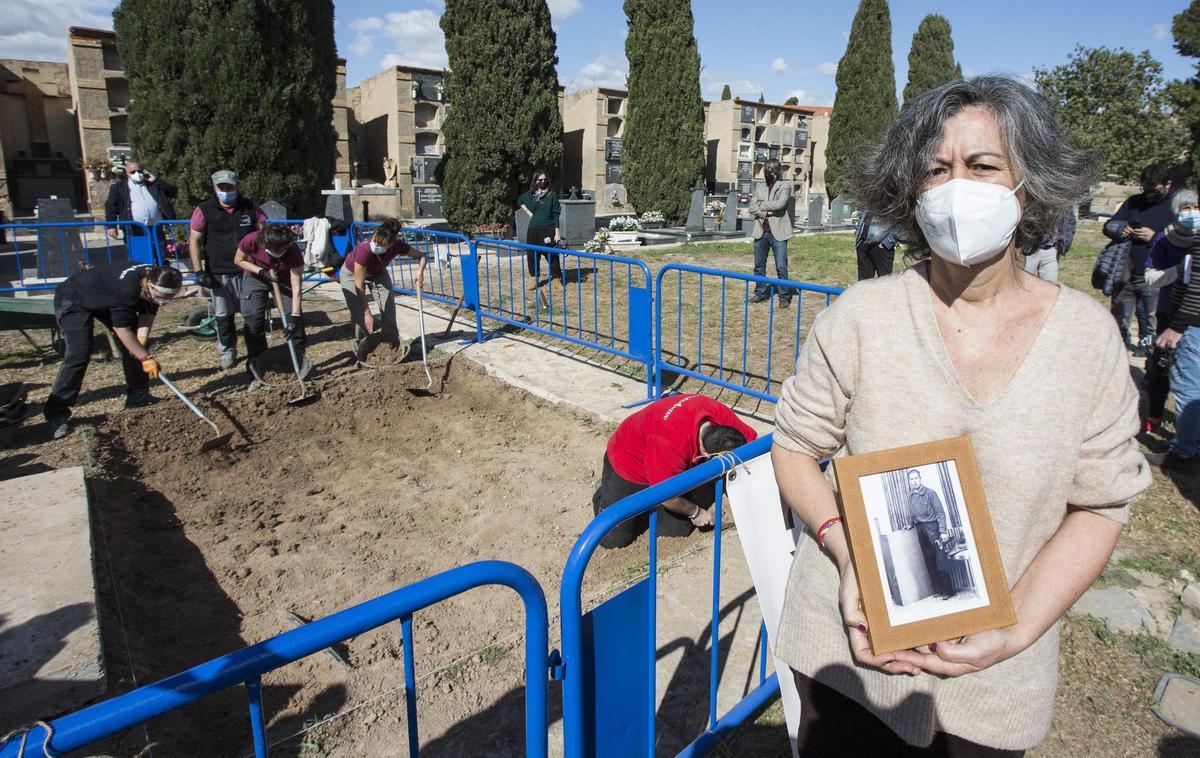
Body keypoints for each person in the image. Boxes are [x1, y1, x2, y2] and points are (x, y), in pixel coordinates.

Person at [770, 77, 1149, 755]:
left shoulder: (1087, 340)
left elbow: (1102, 505)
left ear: (1028, 186)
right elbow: (795, 447)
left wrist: (1017, 627)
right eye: (936, 170)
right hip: (848, 657)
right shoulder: (862, 316)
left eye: (982, 166)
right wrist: (847, 552)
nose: (956, 188)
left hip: (994, 684)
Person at [592, 393, 757, 549]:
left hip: (665, 465)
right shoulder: (671, 443)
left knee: (676, 531)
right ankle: (603, 491)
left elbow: (753, 444)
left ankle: (653, 498)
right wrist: (696, 512)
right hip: (629, 463)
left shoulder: (721, 417)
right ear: (706, 455)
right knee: (613, 539)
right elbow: (666, 495)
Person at [43, 263, 182, 439]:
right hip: (74, 298)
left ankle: (138, 395)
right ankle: (56, 413)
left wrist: (141, 343)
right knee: (79, 352)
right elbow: (122, 329)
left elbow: (148, 314)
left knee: (135, 345)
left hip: (106, 298)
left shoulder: (158, 277)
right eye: (162, 297)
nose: (164, 301)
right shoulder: (126, 290)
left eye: (169, 298)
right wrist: (145, 358)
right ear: (149, 286)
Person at [188, 170, 267, 370]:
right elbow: (194, 240)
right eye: (221, 187)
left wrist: (265, 263)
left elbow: (264, 234)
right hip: (219, 271)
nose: (225, 190)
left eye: (229, 187)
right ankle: (227, 350)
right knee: (223, 316)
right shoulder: (204, 209)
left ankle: (257, 353)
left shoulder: (250, 207)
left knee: (253, 315)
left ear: (237, 186)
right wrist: (198, 271)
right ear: (214, 188)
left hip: (248, 270)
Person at [1142, 189, 1198, 439]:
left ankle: (1188, 437)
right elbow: (1151, 277)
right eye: (1186, 208)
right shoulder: (1165, 239)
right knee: (1161, 369)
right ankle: (1154, 416)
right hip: (1169, 314)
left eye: (1196, 207)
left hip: (1194, 318)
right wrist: (1179, 270)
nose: (1192, 213)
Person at [1104, 163, 1175, 356]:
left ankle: (1148, 351)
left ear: (1168, 184)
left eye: (1154, 190)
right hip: (1126, 273)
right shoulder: (1134, 202)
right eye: (1145, 189)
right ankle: (1117, 350)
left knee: (1151, 320)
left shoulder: (1176, 206)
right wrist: (1121, 229)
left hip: (1156, 276)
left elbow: (1183, 240)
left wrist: (1155, 236)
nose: (1149, 194)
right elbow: (1109, 226)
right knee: (1119, 316)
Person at [233, 223, 306, 384]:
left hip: (284, 278)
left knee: (294, 320)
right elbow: (238, 260)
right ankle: (258, 369)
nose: (283, 251)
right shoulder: (252, 239)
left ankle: (299, 364)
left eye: (285, 248)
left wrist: (295, 316)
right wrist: (259, 271)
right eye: (280, 249)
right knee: (253, 320)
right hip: (255, 277)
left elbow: (296, 286)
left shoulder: (293, 250)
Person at [340, 218, 428, 350]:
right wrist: (367, 313)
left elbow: (422, 256)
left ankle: (391, 345)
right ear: (375, 234)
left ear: (391, 244)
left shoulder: (397, 245)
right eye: (375, 240)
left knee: (389, 310)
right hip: (352, 275)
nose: (376, 245)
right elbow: (359, 286)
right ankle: (364, 348)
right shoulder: (364, 251)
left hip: (378, 273)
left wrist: (420, 272)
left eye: (382, 245)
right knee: (360, 314)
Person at [750, 158, 794, 307]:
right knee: (759, 266)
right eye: (767, 170)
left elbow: (780, 204)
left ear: (778, 172)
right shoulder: (759, 187)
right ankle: (760, 293)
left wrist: (761, 205)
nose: (770, 173)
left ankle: (784, 296)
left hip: (779, 233)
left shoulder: (785, 186)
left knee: (781, 266)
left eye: (773, 171)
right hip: (761, 232)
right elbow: (752, 207)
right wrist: (768, 213)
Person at [517, 168, 562, 307]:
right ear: (535, 181)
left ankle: (556, 278)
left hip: (548, 228)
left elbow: (556, 215)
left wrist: (557, 232)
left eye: (544, 179)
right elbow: (520, 200)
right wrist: (529, 213)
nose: (542, 182)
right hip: (533, 229)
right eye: (539, 180)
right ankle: (534, 278)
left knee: (552, 255)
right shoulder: (530, 195)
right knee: (532, 254)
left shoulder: (552, 195)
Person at [906, 469, 955, 599]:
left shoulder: (930, 493)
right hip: (920, 530)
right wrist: (911, 524)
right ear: (909, 481)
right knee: (929, 561)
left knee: (940, 560)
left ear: (920, 479)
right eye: (912, 479)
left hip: (932, 529)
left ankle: (948, 591)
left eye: (916, 478)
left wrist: (943, 531)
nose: (914, 481)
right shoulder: (910, 496)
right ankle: (939, 590)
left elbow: (941, 514)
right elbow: (913, 513)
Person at [104, 158, 176, 243]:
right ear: (127, 174)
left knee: (159, 250)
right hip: (134, 228)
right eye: (133, 172)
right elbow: (111, 207)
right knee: (139, 251)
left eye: (139, 171)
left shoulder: (152, 184)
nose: (137, 174)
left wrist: (155, 180)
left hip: (156, 227)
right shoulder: (119, 188)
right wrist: (111, 226)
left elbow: (172, 192)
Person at [1021, 211, 1075, 283]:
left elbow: (1069, 223)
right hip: (1030, 247)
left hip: (1051, 249)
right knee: (1024, 282)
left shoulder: (1064, 206)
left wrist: (1063, 246)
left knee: (1050, 284)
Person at [854, 211, 899, 280]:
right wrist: (858, 234)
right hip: (863, 244)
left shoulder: (892, 204)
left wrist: (887, 242)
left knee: (884, 281)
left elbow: (902, 224)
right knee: (864, 282)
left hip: (882, 247)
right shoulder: (869, 204)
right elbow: (862, 216)